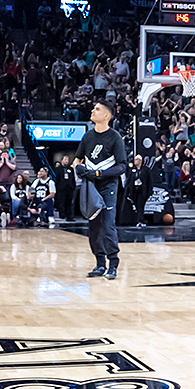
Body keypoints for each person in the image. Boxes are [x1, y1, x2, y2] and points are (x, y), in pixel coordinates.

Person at [77, 100, 124, 278]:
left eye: (97, 109)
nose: (92, 111)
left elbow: (121, 166)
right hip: (91, 186)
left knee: (108, 224)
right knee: (94, 226)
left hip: (108, 186)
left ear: (106, 115)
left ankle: (113, 264)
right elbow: (77, 159)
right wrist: (79, 168)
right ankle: (99, 264)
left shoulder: (115, 137)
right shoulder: (88, 136)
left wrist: (98, 173)